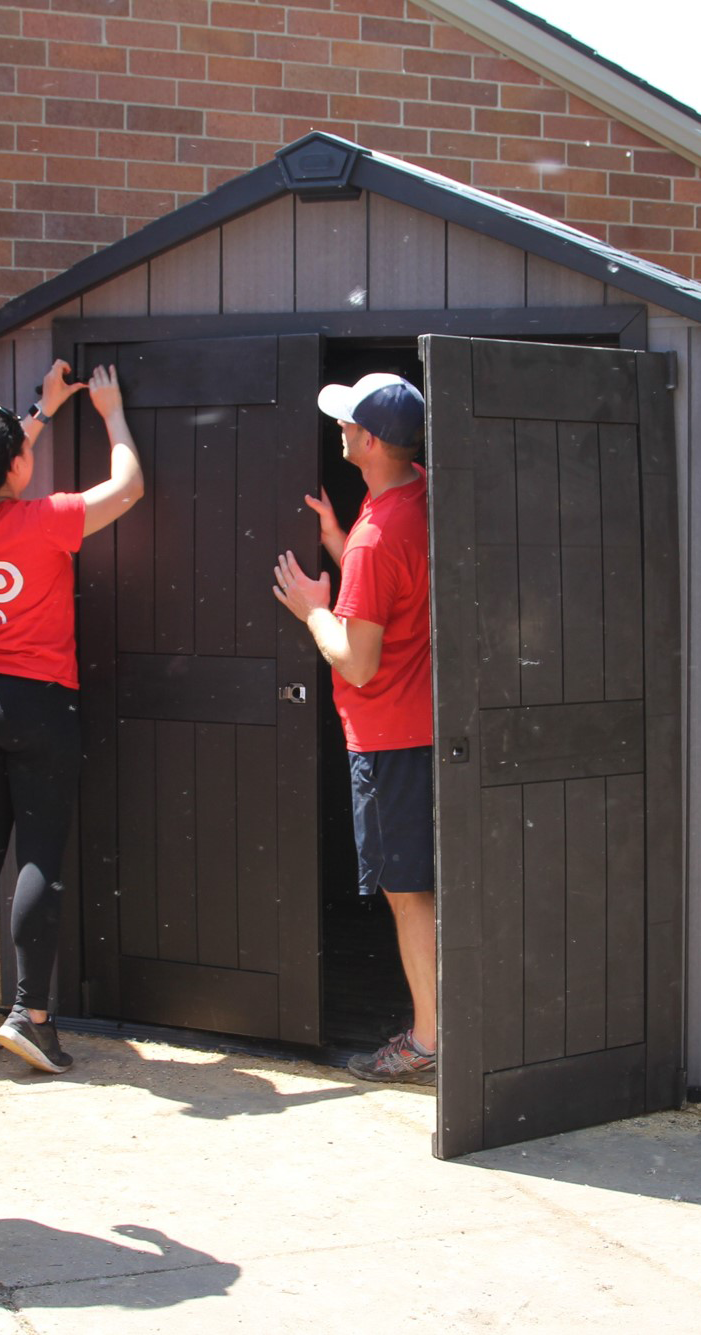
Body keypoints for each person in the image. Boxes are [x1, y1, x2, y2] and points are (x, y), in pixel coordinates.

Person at [0, 360, 144, 1073]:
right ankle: (31, 1013)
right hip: (41, 702)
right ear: (16, 467)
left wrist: (40, 410)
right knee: (38, 859)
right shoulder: (45, 518)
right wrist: (110, 412)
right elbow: (128, 487)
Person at [273, 373, 436, 1084]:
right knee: (430, 885)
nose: (338, 430)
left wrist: (313, 607)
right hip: (432, 725)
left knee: (410, 893)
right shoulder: (418, 491)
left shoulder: (377, 536)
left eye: (346, 423)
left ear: (369, 440)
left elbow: (360, 661)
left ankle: (430, 1038)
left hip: (393, 734)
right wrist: (342, 543)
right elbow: (401, 589)